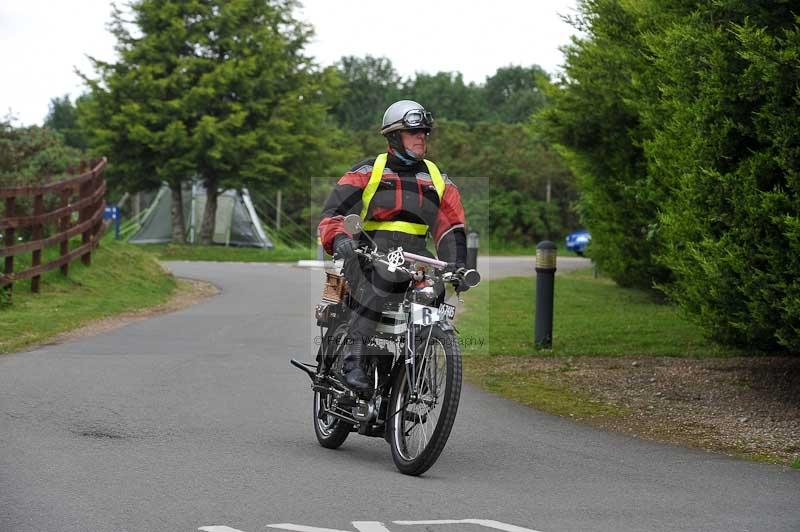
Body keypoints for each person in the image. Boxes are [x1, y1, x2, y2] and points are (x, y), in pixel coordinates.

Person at [318, 100, 468, 392]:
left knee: (433, 293)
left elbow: (451, 227)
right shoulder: (368, 171)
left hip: (415, 255)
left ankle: (415, 370)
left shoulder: (439, 179)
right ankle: (355, 359)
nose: (421, 137)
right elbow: (334, 213)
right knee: (382, 280)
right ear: (394, 136)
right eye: (414, 132)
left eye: (424, 132)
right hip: (368, 250)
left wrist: (456, 263)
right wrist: (341, 239)